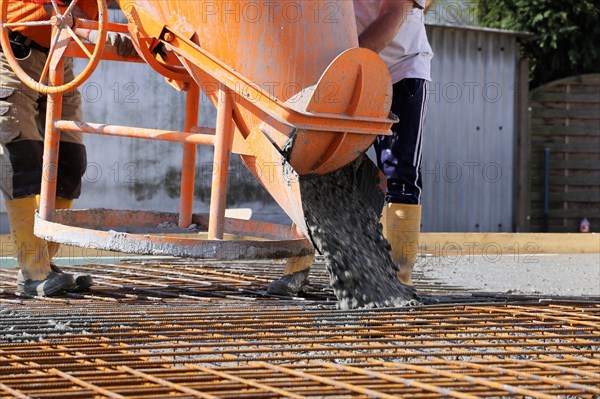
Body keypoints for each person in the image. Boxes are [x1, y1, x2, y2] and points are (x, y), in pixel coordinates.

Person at [1, 0, 136, 296]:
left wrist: (131, 34)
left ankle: (44, 264)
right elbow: (52, 11)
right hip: (11, 51)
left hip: (62, 56)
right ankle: (33, 272)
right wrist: (90, 29)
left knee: (70, 162)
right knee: (21, 161)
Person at [355, 0, 433, 285]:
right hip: (349, 67)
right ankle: (297, 267)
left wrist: (349, 62)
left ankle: (398, 279)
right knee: (315, 164)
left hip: (400, 70)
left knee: (400, 171)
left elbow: (393, 13)